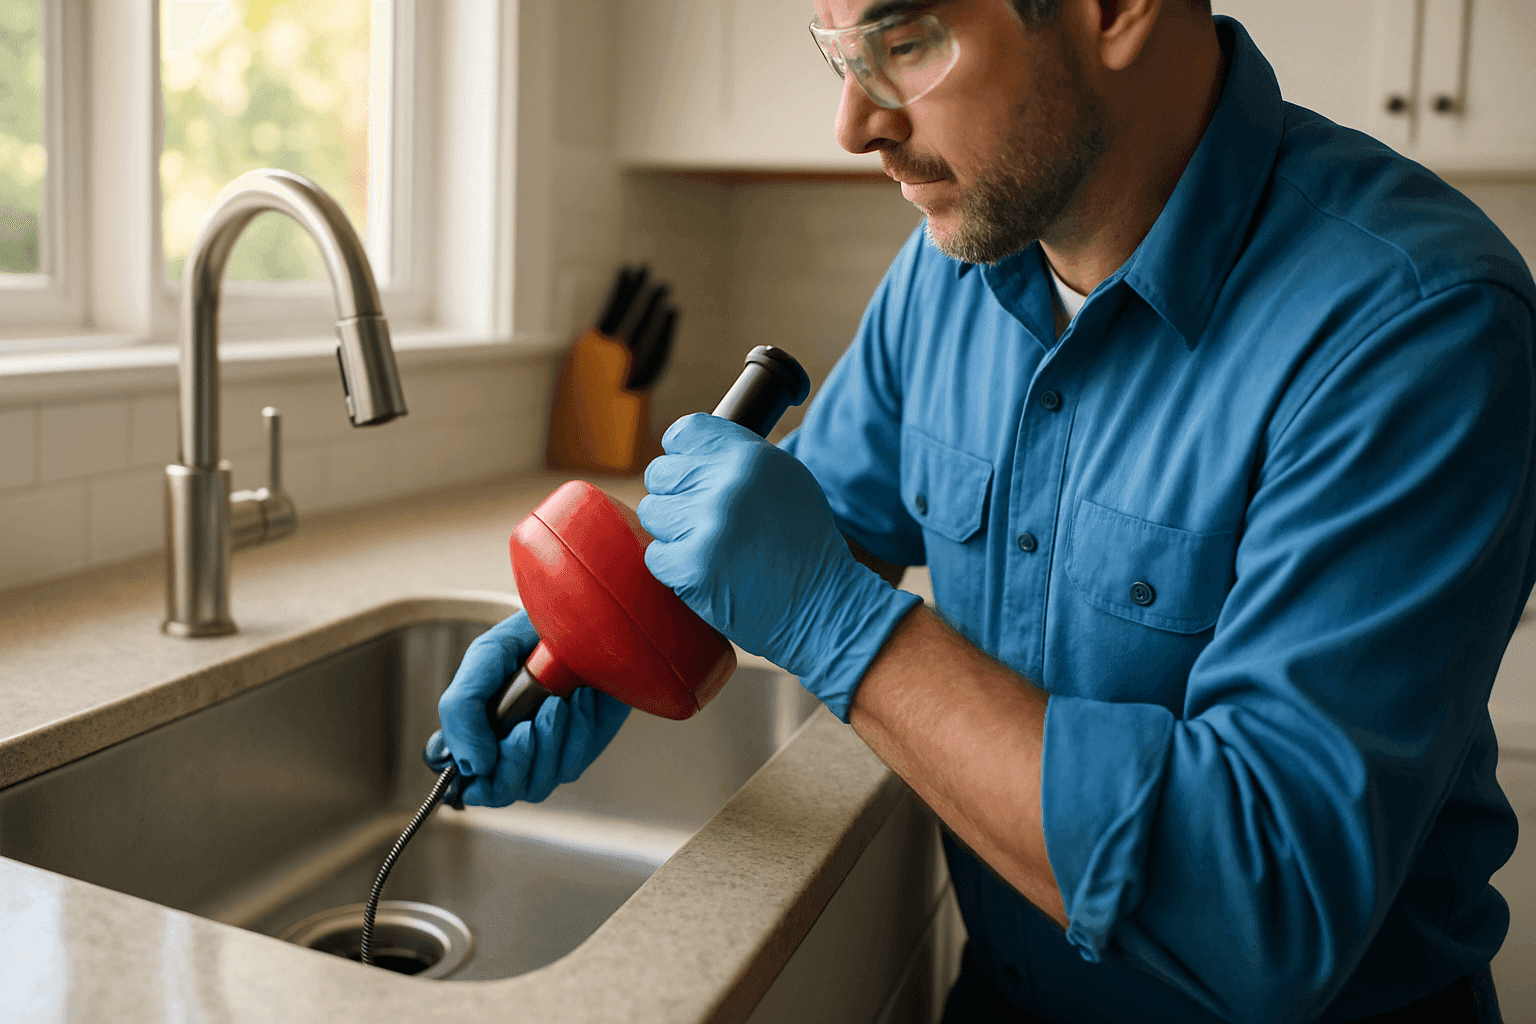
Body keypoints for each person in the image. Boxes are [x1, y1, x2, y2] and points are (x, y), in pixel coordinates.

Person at [435, 1, 1536, 1021]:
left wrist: (840, 625)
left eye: (904, 41)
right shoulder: (950, 271)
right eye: (838, 57)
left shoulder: (1419, 324)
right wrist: (610, 630)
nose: (854, 123)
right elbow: (802, 530)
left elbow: (1266, 902)